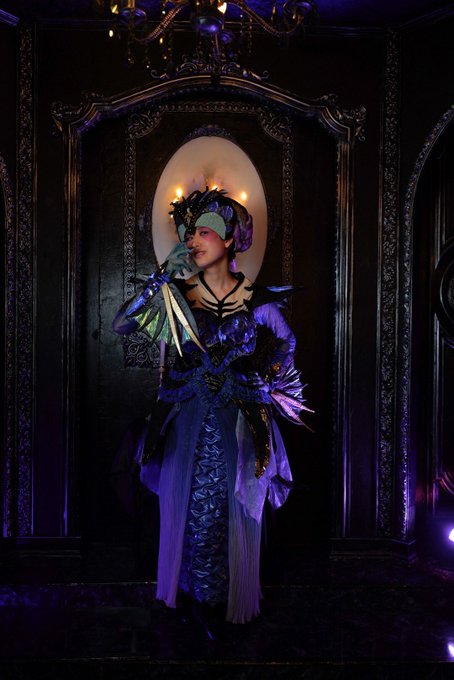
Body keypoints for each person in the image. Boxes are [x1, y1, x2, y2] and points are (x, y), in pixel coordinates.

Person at [112, 188, 310, 626]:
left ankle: (225, 600)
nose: (193, 241)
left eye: (204, 232)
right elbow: (121, 323)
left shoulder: (258, 302)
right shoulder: (178, 296)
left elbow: (287, 344)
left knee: (231, 510)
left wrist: (267, 378)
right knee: (191, 510)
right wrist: (163, 277)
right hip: (188, 424)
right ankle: (196, 599)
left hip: (239, 425)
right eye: (189, 234)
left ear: (230, 238)